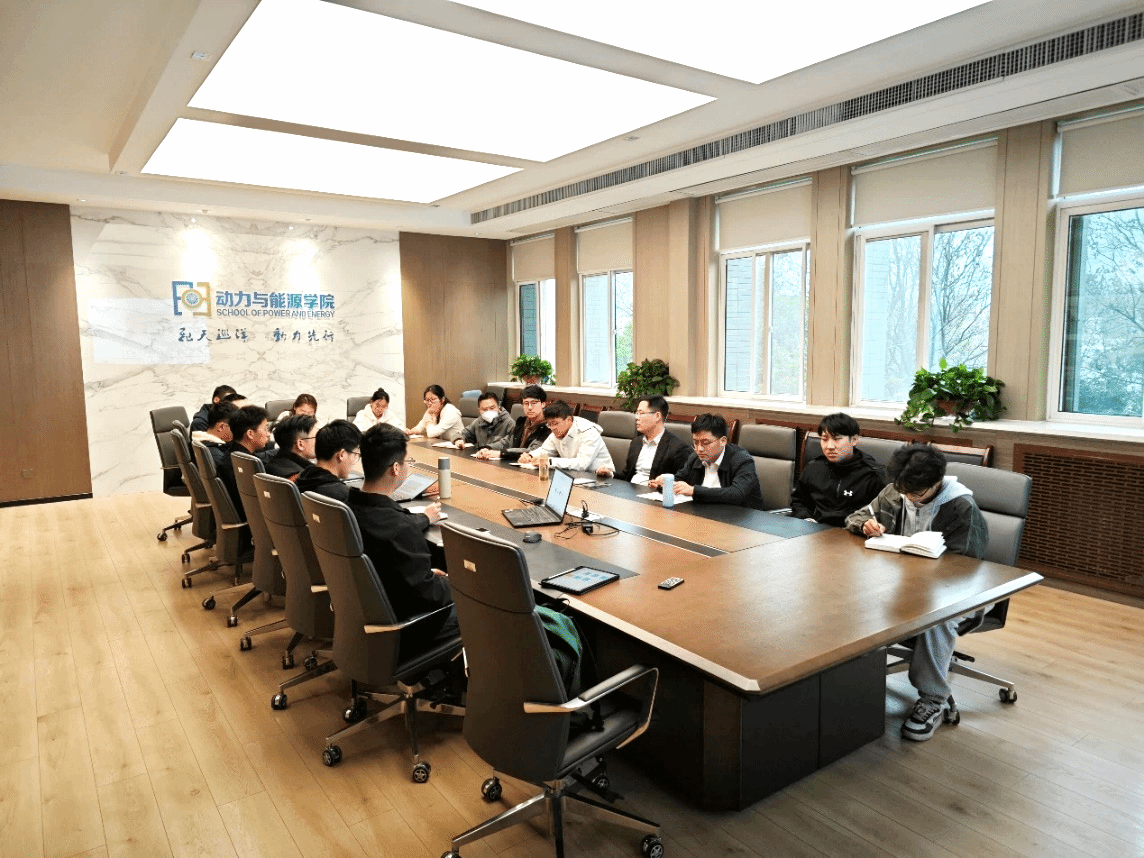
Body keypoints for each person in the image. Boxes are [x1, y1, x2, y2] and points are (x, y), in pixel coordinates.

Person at [845, 443, 989, 742]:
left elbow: (966, 568)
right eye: (904, 491)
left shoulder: (961, 507)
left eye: (917, 493)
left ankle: (933, 699)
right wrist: (865, 525)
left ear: (937, 482)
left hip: (953, 594)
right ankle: (850, 679)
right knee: (848, 597)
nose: (909, 498)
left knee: (937, 618)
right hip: (900, 586)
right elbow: (855, 517)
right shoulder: (896, 492)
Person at [347, 425, 455, 659]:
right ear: (396, 468)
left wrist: (425, 575)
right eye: (407, 462)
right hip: (407, 628)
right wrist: (459, 584)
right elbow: (428, 595)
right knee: (485, 605)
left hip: (368, 613)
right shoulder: (400, 528)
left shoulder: (348, 509)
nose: (407, 467)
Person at [790, 412, 888, 526]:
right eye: (824, 439)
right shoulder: (814, 467)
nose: (830, 446)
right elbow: (799, 501)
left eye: (836, 439)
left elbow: (882, 515)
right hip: (816, 530)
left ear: (854, 440)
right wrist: (807, 519)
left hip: (853, 532)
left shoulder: (873, 474)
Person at [650, 413, 763, 508]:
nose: (699, 449)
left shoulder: (742, 460)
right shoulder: (695, 458)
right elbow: (680, 478)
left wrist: (694, 491)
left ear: (723, 441)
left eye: (706, 443)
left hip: (741, 520)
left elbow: (737, 494)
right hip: (706, 514)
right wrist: (664, 483)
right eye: (695, 442)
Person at [600, 395, 690, 484]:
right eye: (637, 413)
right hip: (630, 489)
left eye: (641, 413)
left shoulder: (677, 448)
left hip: (652, 491)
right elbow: (627, 475)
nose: (636, 417)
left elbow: (680, 482)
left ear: (657, 416)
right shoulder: (636, 442)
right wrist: (610, 474)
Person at [519, 401, 615, 473]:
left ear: (569, 420)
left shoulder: (588, 432)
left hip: (599, 478)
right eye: (549, 424)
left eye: (555, 423)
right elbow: (545, 450)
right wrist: (530, 456)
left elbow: (582, 464)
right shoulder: (557, 431)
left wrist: (549, 462)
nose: (552, 428)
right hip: (575, 476)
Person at [474, 384, 550, 458]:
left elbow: (533, 451)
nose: (529, 407)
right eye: (526, 403)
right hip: (514, 462)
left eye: (534, 403)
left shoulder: (549, 425)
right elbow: (507, 441)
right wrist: (488, 448)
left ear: (543, 404)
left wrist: (501, 453)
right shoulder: (521, 421)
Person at [296, 420, 362, 501]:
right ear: (342, 454)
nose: (355, 460)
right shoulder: (344, 496)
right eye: (355, 454)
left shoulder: (302, 478)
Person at [265, 414, 318, 481]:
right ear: (300, 444)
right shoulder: (303, 478)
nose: (320, 440)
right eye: (317, 437)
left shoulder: (270, 465)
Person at [191, 400, 238, 468]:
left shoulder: (200, 443)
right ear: (221, 427)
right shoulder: (217, 456)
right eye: (235, 427)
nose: (238, 431)